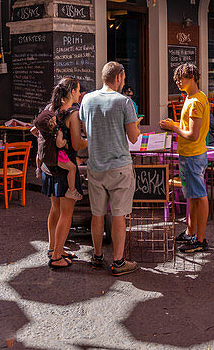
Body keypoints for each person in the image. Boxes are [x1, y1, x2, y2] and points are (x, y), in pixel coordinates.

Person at [79, 62, 140, 276]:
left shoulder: (87, 100)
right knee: (118, 215)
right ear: (120, 77)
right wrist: (137, 125)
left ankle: (96, 256)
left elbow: (86, 129)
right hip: (119, 166)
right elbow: (133, 137)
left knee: (97, 214)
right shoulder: (125, 102)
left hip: (95, 165)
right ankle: (118, 261)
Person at [34, 78, 87, 269]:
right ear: (71, 92)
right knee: (66, 213)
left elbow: (37, 131)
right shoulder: (73, 113)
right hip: (65, 168)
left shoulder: (51, 107)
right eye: (78, 91)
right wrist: (91, 141)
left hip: (49, 166)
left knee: (55, 209)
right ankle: (56, 257)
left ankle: (53, 247)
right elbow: (77, 144)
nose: (80, 94)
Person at [160, 62, 212, 253]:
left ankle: (200, 239)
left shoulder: (195, 101)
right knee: (193, 195)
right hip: (191, 154)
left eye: (180, 78)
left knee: (199, 195)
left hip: (193, 154)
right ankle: (191, 232)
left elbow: (193, 134)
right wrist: (174, 124)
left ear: (192, 77)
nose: (177, 82)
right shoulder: (195, 97)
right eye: (176, 79)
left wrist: (173, 127)